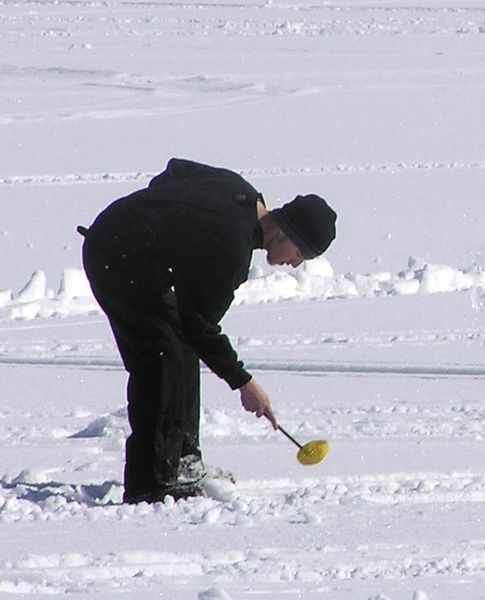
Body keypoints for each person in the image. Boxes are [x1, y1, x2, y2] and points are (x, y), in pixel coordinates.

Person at [79, 158, 337, 504]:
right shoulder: (231, 247)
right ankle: (150, 484)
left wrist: (166, 225)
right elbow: (201, 327)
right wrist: (244, 383)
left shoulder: (241, 192)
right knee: (161, 357)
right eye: (302, 253)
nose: (297, 263)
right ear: (285, 231)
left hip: (132, 251)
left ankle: (183, 462)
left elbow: (176, 171)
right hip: (116, 256)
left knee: (178, 347)